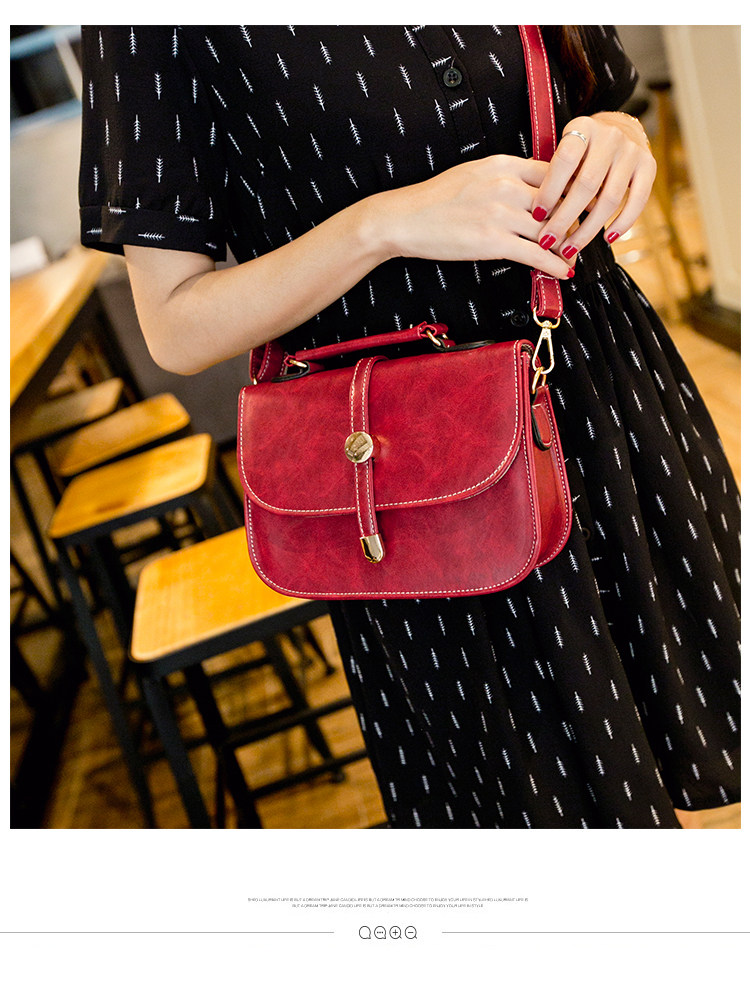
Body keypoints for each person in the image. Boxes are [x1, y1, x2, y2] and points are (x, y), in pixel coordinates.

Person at [79, 25, 740, 829]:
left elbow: (596, 95)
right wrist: (383, 225)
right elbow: (176, 328)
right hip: (424, 473)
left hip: (605, 389)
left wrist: (615, 137)